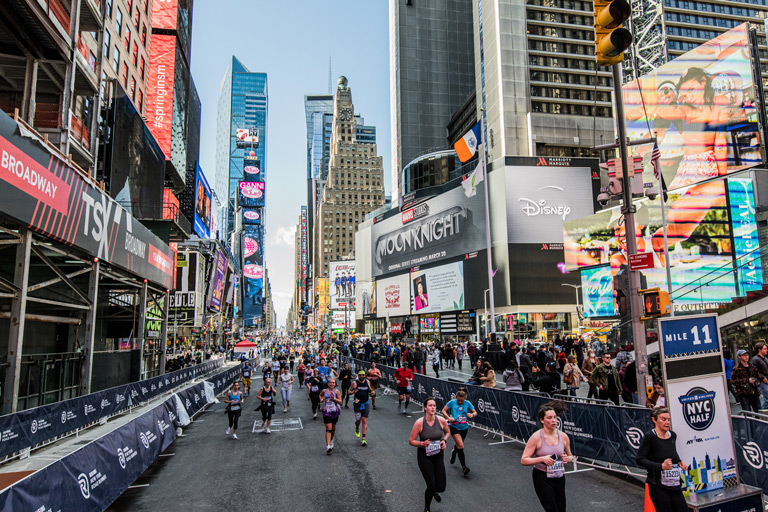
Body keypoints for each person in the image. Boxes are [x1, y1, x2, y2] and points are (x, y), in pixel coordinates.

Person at [521, 401, 573, 512]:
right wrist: (542, 459)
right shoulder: (536, 437)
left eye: (554, 417)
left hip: (559, 476)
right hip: (542, 477)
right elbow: (524, 460)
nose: (553, 420)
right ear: (542, 420)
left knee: (561, 509)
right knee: (551, 509)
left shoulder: (563, 437)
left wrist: (567, 459)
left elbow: (570, 456)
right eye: (549, 418)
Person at [636, 407, 690, 512]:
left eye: (668, 419)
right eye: (663, 419)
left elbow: (672, 455)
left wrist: (679, 463)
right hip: (657, 485)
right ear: (654, 420)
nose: (667, 422)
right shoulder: (649, 437)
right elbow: (640, 459)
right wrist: (661, 466)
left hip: (675, 484)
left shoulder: (672, 435)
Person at [409, 397, 451, 512]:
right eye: (430, 405)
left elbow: (447, 432)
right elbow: (411, 441)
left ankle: (434, 492)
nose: (433, 407)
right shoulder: (419, 423)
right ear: (425, 408)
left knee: (441, 487)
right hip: (424, 457)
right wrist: (422, 443)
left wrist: (444, 441)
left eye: (434, 405)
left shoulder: (441, 420)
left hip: (438, 455)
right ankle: (427, 508)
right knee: (431, 485)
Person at [441, 388, 477, 476]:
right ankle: (464, 467)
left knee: (459, 446)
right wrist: (449, 418)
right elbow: (443, 410)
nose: (460, 402)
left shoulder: (467, 403)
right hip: (454, 426)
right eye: (458, 400)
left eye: (462, 400)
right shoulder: (452, 402)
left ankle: (454, 452)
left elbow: (475, 412)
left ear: (464, 399)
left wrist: (471, 414)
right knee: (460, 445)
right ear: (456, 397)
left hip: (464, 427)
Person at [349, 370, 374, 445]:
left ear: (365, 376)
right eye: (360, 375)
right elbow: (348, 392)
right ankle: (357, 427)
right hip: (357, 404)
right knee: (358, 421)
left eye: (363, 375)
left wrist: (372, 393)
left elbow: (370, 390)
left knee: (364, 420)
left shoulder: (367, 382)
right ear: (358, 376)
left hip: (365, 403)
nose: (362, 376)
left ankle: (363, 439)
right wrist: (353, 392)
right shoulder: (354, 383)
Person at [321, 378, 342, 454]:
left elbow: (341, 402)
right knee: (328, 428)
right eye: (330, 382)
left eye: (333, 383)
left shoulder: (337, 392)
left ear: (335, 384)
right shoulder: (324, 391)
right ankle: (328, 446)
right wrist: (321, 399)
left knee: (333, 428)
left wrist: (334, 398)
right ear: (328, 383)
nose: (332, 384)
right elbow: (320, 395)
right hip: (327, 412)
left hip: (335, 412)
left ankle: (331, 440)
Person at [750, 342, 768, 409]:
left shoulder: (765, 359)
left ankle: (762, 413)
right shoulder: (755, 359)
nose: (766, 350)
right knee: (767, 399)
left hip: (765, 380)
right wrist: (762, 378)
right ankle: (761, 413)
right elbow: (753, 371)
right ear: (759, 350)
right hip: (761, 381)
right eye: (765, 349)